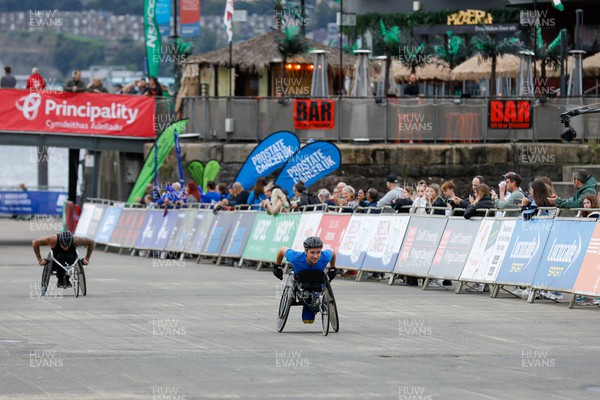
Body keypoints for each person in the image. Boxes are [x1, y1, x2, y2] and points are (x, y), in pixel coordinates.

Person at [273, 236, 337, 324]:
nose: (316, 256)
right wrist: (277, 266)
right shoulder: (296, 258)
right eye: (312, 253)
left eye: (318, 252)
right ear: (306, 251)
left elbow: (333, 251)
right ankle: (309, 302)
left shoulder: (325, 257)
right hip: (301, 283)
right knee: (307, 319)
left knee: (308, 320)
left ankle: (315, 301)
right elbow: (281, 250)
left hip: (317, 283)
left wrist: (332, 268)